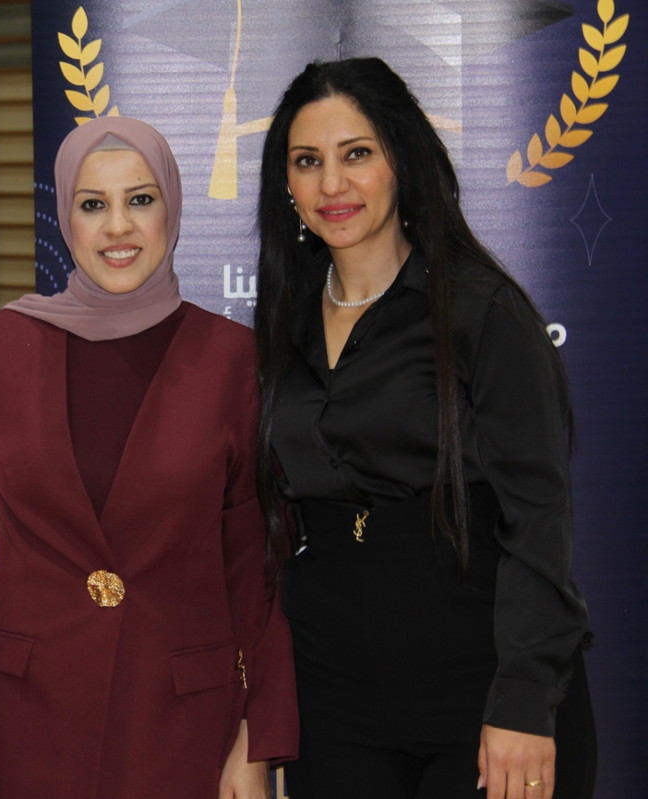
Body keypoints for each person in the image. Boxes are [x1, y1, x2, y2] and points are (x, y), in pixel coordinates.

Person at [253, 57, 596, 799]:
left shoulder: (482, 313)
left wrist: (524, 699)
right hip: (333, 697)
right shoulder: (282, 323)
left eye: (357, 154)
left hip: (480, 690)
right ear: (286, 184)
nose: (332, 184)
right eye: (307, 161)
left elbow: (539, 518)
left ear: (401, 162)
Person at [0, 116, 298, 799]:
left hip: (177, 725)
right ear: (66, 219)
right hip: (20, 720)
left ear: (171, 210)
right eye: (93, 204)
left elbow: (256, 565)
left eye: (141, 199)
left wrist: (257, 731)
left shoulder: (235, 361)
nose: (118, 226)